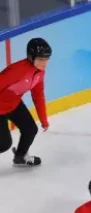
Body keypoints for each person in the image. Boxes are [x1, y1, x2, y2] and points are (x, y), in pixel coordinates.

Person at [0, 37, 51, 167]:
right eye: (41, 59)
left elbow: (38, 96)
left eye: (47, 59)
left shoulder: (40, 73)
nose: (45, 63)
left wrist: (44, 120)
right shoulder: (16, 71)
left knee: (30, 130)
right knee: (4, 144)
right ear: (31, 57)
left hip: (14, 104)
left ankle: (20, 157)